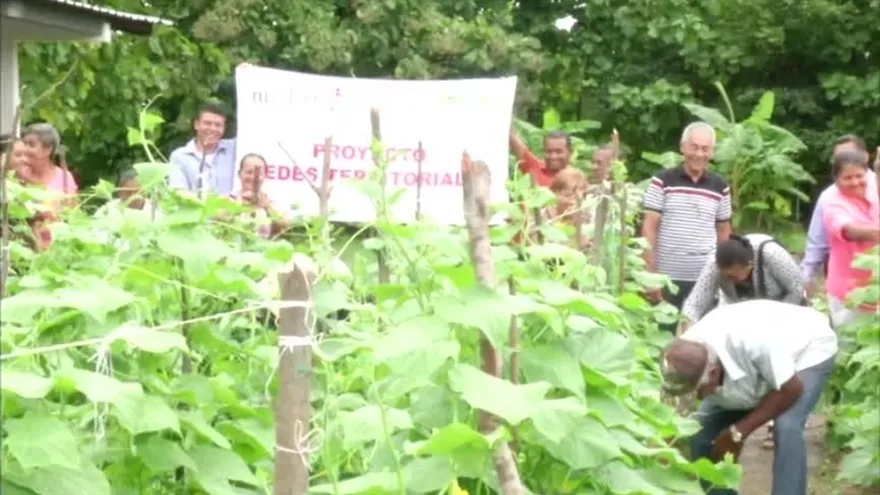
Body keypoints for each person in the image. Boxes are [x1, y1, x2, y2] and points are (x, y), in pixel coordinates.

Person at [661, 299, 838, 495]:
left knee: (786, 426)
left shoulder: (755, 343)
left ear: (712, 373)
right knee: (700, 431)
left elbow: (791, 389)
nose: (697, 398)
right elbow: (676, 414)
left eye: (697, 393)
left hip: (806, 348)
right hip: (754, 369)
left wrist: (739, 431)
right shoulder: (685, 353)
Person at [641, 122, 732, 332]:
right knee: (663, 335)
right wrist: (650, 275)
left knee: (700, 339)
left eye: (705, 149)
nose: (699, 154)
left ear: (712, 152)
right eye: (694, 147)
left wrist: (722, 276)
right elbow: (649, 229)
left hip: (704, 277)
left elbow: (724, 232)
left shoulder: (720, 186)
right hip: (666, 277)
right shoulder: (662, 181)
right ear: (683, 148)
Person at [680, 234, 806, 332]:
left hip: (782, 310)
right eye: (725, 276)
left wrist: (775, 320)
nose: (729, 281)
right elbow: (694, 304)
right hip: (740, 314)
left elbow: (797, 289)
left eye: (733, 276)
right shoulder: (715, 264)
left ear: (750, 265)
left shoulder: (772, 254)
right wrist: (687, 336)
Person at [800, 134, 876, 295]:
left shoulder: (876, 187)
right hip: (849, 289)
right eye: (839, 158)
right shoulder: (830, 198)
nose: (847, 162)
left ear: (865, 157)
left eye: (850, 155)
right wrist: (805, 279)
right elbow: (818, 241)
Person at [822, 149, 880, 328]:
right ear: (837, 181)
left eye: (859, 175)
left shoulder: (874, 192)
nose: (855, 182)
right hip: (849, 297)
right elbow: (851, 231)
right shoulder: (832, 204)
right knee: (851, 349)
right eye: (847, 178)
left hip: (875, 290)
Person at [20, 123, 79, 250]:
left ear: (48, 149)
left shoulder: (64, 178)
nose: (25, 149)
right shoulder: (18, 175)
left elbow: (74, 216)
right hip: (24, 248)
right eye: (24, 144)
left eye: (31, 144)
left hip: (55, 249)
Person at [168, 102, 237, 197]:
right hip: (195, 210)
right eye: (207, 123)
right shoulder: (180, 156)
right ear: (196, 124)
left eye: (218, 125)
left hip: (231, 210)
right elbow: (178, 191)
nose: (213, 129)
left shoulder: (234, 149)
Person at [230, 153, 290, 239]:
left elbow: (286, 226)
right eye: (249, 172)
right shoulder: (229, 199)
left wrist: (267, 206)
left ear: (265, 176)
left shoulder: (270, 202)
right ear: (240, 174)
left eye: (259, 174)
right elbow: (217, 218)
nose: (253, 177)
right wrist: (239, 206)